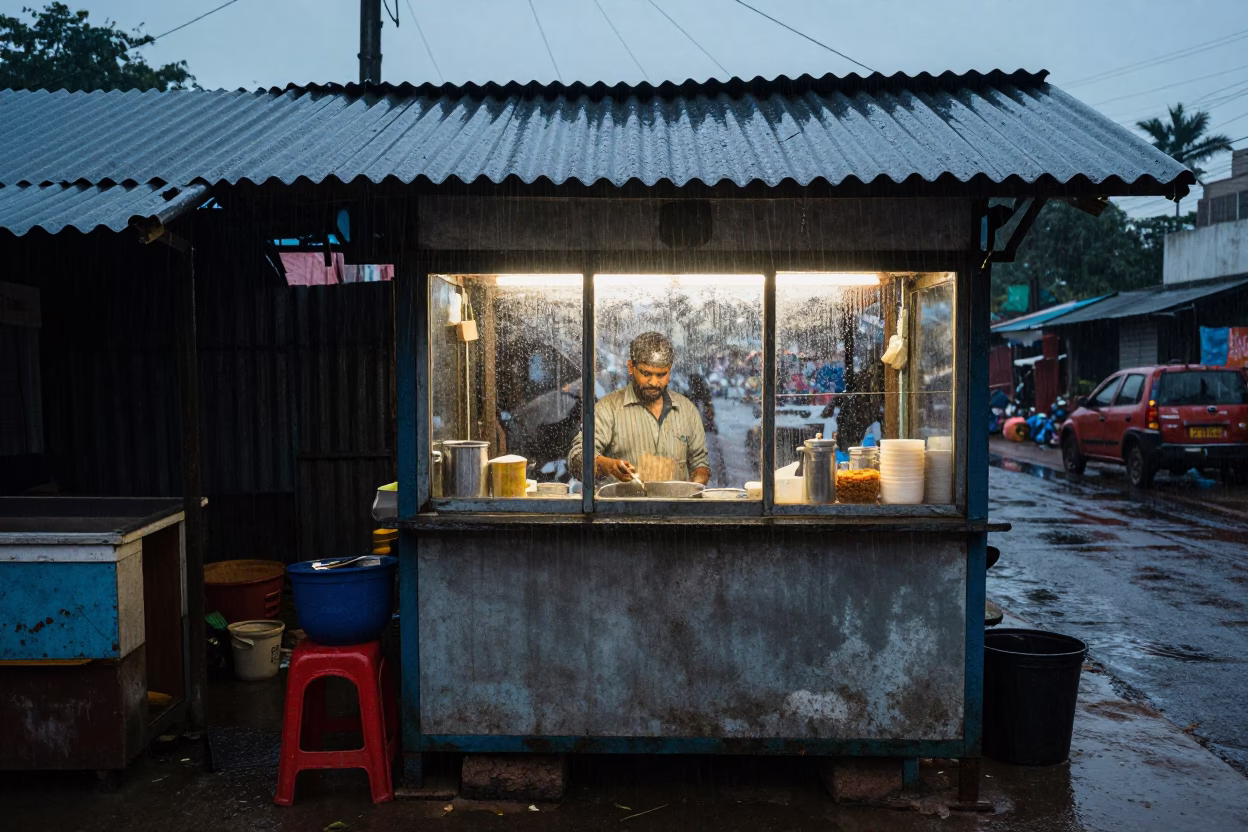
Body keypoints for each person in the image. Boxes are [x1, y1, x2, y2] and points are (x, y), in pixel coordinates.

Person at [568, 332, 711, 485]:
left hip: (675, 507)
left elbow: (699, 462)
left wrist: (697, 482)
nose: (654, 382)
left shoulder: (687, 410)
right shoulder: (608, 409)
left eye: (661, 374)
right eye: (646, 373)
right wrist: (609, 466)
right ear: (631, 367)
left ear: (670, 370)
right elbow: (577, 458)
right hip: (622, 507)